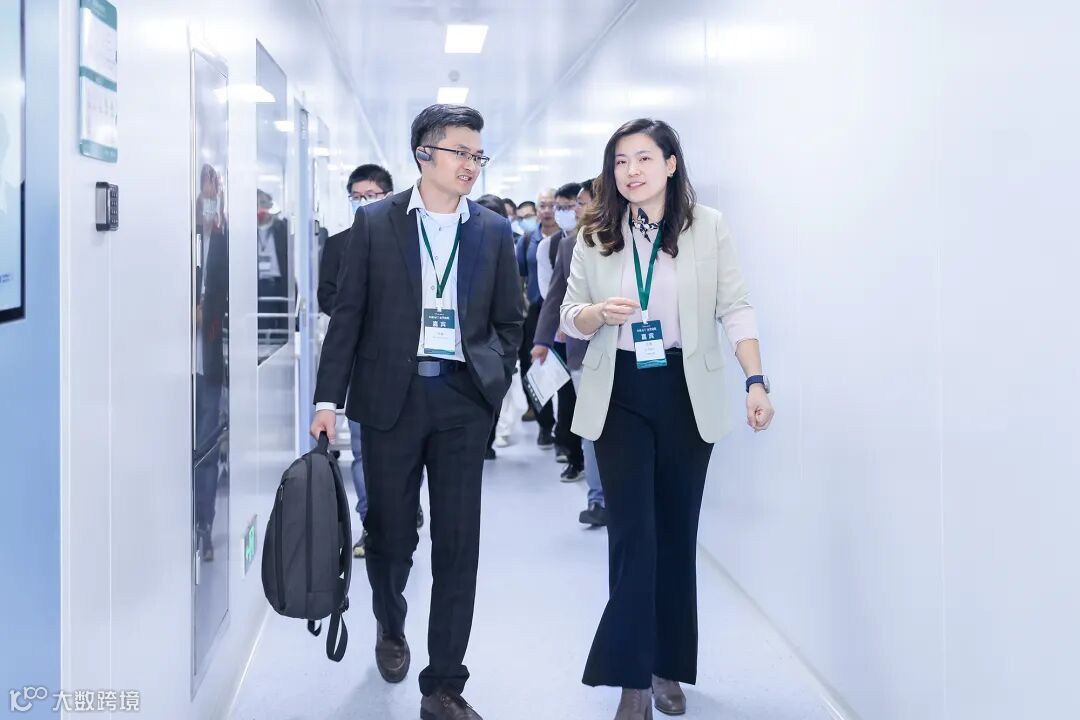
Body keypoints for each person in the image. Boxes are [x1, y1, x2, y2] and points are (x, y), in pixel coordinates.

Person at [310, 104, 523, 720]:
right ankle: (390, 621)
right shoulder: (376, 223)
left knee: (459, 542)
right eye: (461, 152)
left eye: (478, 155)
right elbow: (348, 317)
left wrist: (490, 383)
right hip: (389, 401)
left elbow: (509, 321)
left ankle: (444, 685)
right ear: (424, 154)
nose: (471, 165)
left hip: (461, 401)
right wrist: (327, 401)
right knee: (392, 533)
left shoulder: (492, 231)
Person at [561, 119, 775, 719]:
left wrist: (755, 379)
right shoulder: (595, 232)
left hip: (686, 390)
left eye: (644, 159)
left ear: (671, 164)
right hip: (619, 390)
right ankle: (632, 680)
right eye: (620, 161)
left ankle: (666, 664)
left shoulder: (708, 227)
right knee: (633, 534)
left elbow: (735, 307)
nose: (631, 171)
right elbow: (570, 312)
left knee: (676, 533)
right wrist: (596, 314)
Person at [317, 164, 426, 558]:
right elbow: (328, 297)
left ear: (389, 196)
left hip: (411, 364)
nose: (363, 202)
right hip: (364, 364)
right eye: (357, 196)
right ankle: (371, 524)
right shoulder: (338, 244)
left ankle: (407, 506)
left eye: (372, 196)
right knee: (364, 451)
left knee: (411, 448)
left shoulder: (413, 240)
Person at [533, 179, 608, 523]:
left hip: (626, 350)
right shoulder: (567, 245)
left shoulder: (625, 240)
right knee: (591, 426)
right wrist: (541, 340)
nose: (575, 210)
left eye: (581, 202)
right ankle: (598, 500)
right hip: (582, 350)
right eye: (573, 204)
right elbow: (555, 297)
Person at [516, 190, 560, 446]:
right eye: (542, 205)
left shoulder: (569, 238)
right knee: (533, 367)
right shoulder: (526, 242)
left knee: (565, 366)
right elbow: (520, 278)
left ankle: (566, 432)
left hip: (563, 311)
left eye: (552, 205)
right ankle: (545, 424)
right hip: (535, 312)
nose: (547, 210)